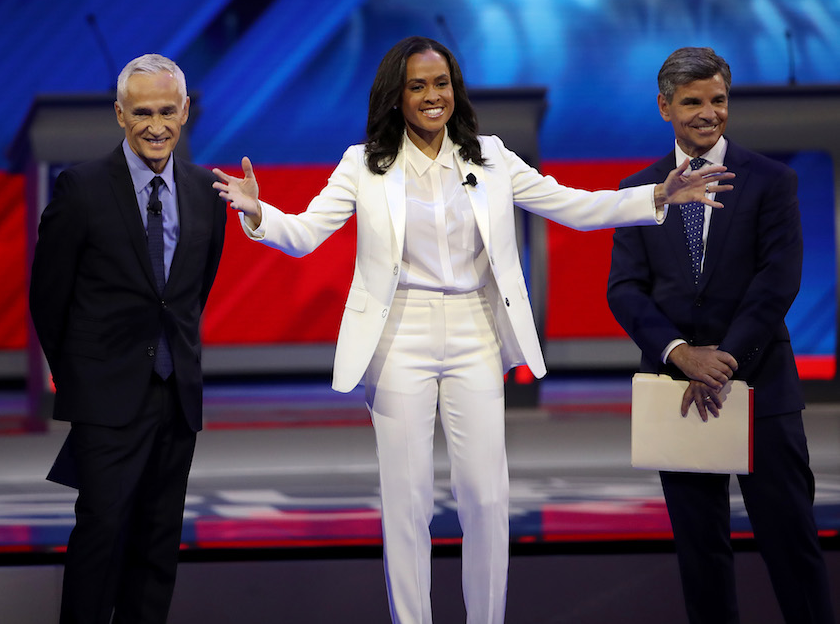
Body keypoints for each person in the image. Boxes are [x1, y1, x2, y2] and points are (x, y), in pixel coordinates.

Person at [214, 35, 731, 624]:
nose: (433, 96)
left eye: (442, 84)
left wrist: (658, 194)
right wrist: (259, 214)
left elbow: (573, 206)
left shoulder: (489, 157)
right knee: (406, 504)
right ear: (395, 96)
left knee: (486, 498)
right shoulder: (364, 164)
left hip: (474, 332)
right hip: (398, 335)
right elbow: (306, 233)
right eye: (418, 86)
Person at [607, 47, 834, 623]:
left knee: (792, 546)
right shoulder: (640, 190)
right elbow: (626, 289)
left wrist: (725, 358)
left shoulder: (772, 182)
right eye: (692, 102)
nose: (708, 113)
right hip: (677, 393)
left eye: (718, 100)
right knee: (701, 555)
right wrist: (683, 355)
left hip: (760, 389)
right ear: (664, 107)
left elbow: (778, 281)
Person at [29, 53, 226, 624]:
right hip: (105, 399)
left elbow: (191, 295)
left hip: (177, 396)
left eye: (167, 110)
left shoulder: (205, 191)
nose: (156, 124)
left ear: (185, 111)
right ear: (120, 115)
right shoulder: (82, 188)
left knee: (158, 543)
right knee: (102, 536)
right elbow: (49, 298)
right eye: (142, 112)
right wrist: (83, 379)